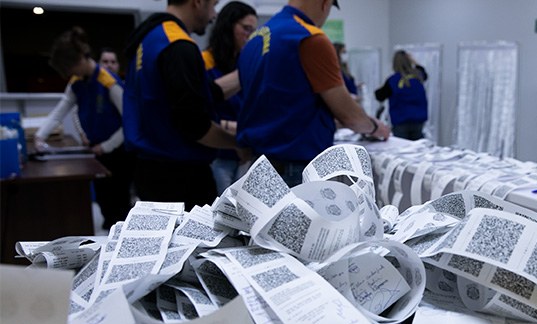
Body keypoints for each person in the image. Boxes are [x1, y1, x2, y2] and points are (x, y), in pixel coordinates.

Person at [237, 0, 390, 187]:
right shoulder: (308, 37)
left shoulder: (255, 38)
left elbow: (280, 103)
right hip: (295, 170)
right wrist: (375, 127)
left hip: (258, 167)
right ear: (325, 4)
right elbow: (350, 117)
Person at [123, 0, 246, 210]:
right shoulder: (179, 47)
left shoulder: (151, 39)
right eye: (213, 5)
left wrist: (247, 71)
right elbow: (196, 125)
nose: (214, 14)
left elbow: (205, 92)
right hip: (179, 178)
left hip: (151, 169)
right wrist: (237, 144)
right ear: (197, 3)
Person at [35, 27, 134, 230]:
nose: (72, 75)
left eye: (72, 69)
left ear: (80, 61)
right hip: (96, 151)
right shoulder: (77, 83)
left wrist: (106, 146)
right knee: (104, 201)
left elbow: (129, 121)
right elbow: (60, 110)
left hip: (117, 151)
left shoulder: (108, 81)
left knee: (119, 202)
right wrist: (39, 136)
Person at [202, 1, 258, 194]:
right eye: (245, 28)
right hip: (218, 153)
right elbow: (200, 114)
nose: (249, 35)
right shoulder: (205, 62)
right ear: (228, 26)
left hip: (245, 153)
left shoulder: (245, 61)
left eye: (253, 30)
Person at [375, 50, 428, 141]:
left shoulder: (392, 80)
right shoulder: (418, 76)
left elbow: (379, 96)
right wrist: (413, 61)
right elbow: (423, 71)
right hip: (418, 120)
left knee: (401, 149)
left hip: (400, 121)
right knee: (418, 149)